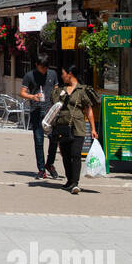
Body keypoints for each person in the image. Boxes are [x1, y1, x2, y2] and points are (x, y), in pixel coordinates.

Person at [52, 64, 98, 195]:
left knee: (76, 154)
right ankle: (69, 180)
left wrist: (93, 129)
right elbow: (54, 105)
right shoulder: (61, 90)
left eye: (63, 73)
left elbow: (89, 110)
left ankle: (75, 183)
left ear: (70, 74)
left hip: (77, 127)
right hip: (62, 126)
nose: (62, 76)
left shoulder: (82, 90)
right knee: (65, 155)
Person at [20, 56, 60, 179]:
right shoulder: (29, 76)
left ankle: (50, 164)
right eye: (42, 67)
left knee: (54, 138)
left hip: (50, 112)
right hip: (36, 110)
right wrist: (33, 97)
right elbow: (22, 93)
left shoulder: (53, 74)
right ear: (37, 65)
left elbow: (56, 90)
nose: (44, 70)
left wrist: (57, 104)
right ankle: (41, 169)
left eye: (46, 67)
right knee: (38, 141)